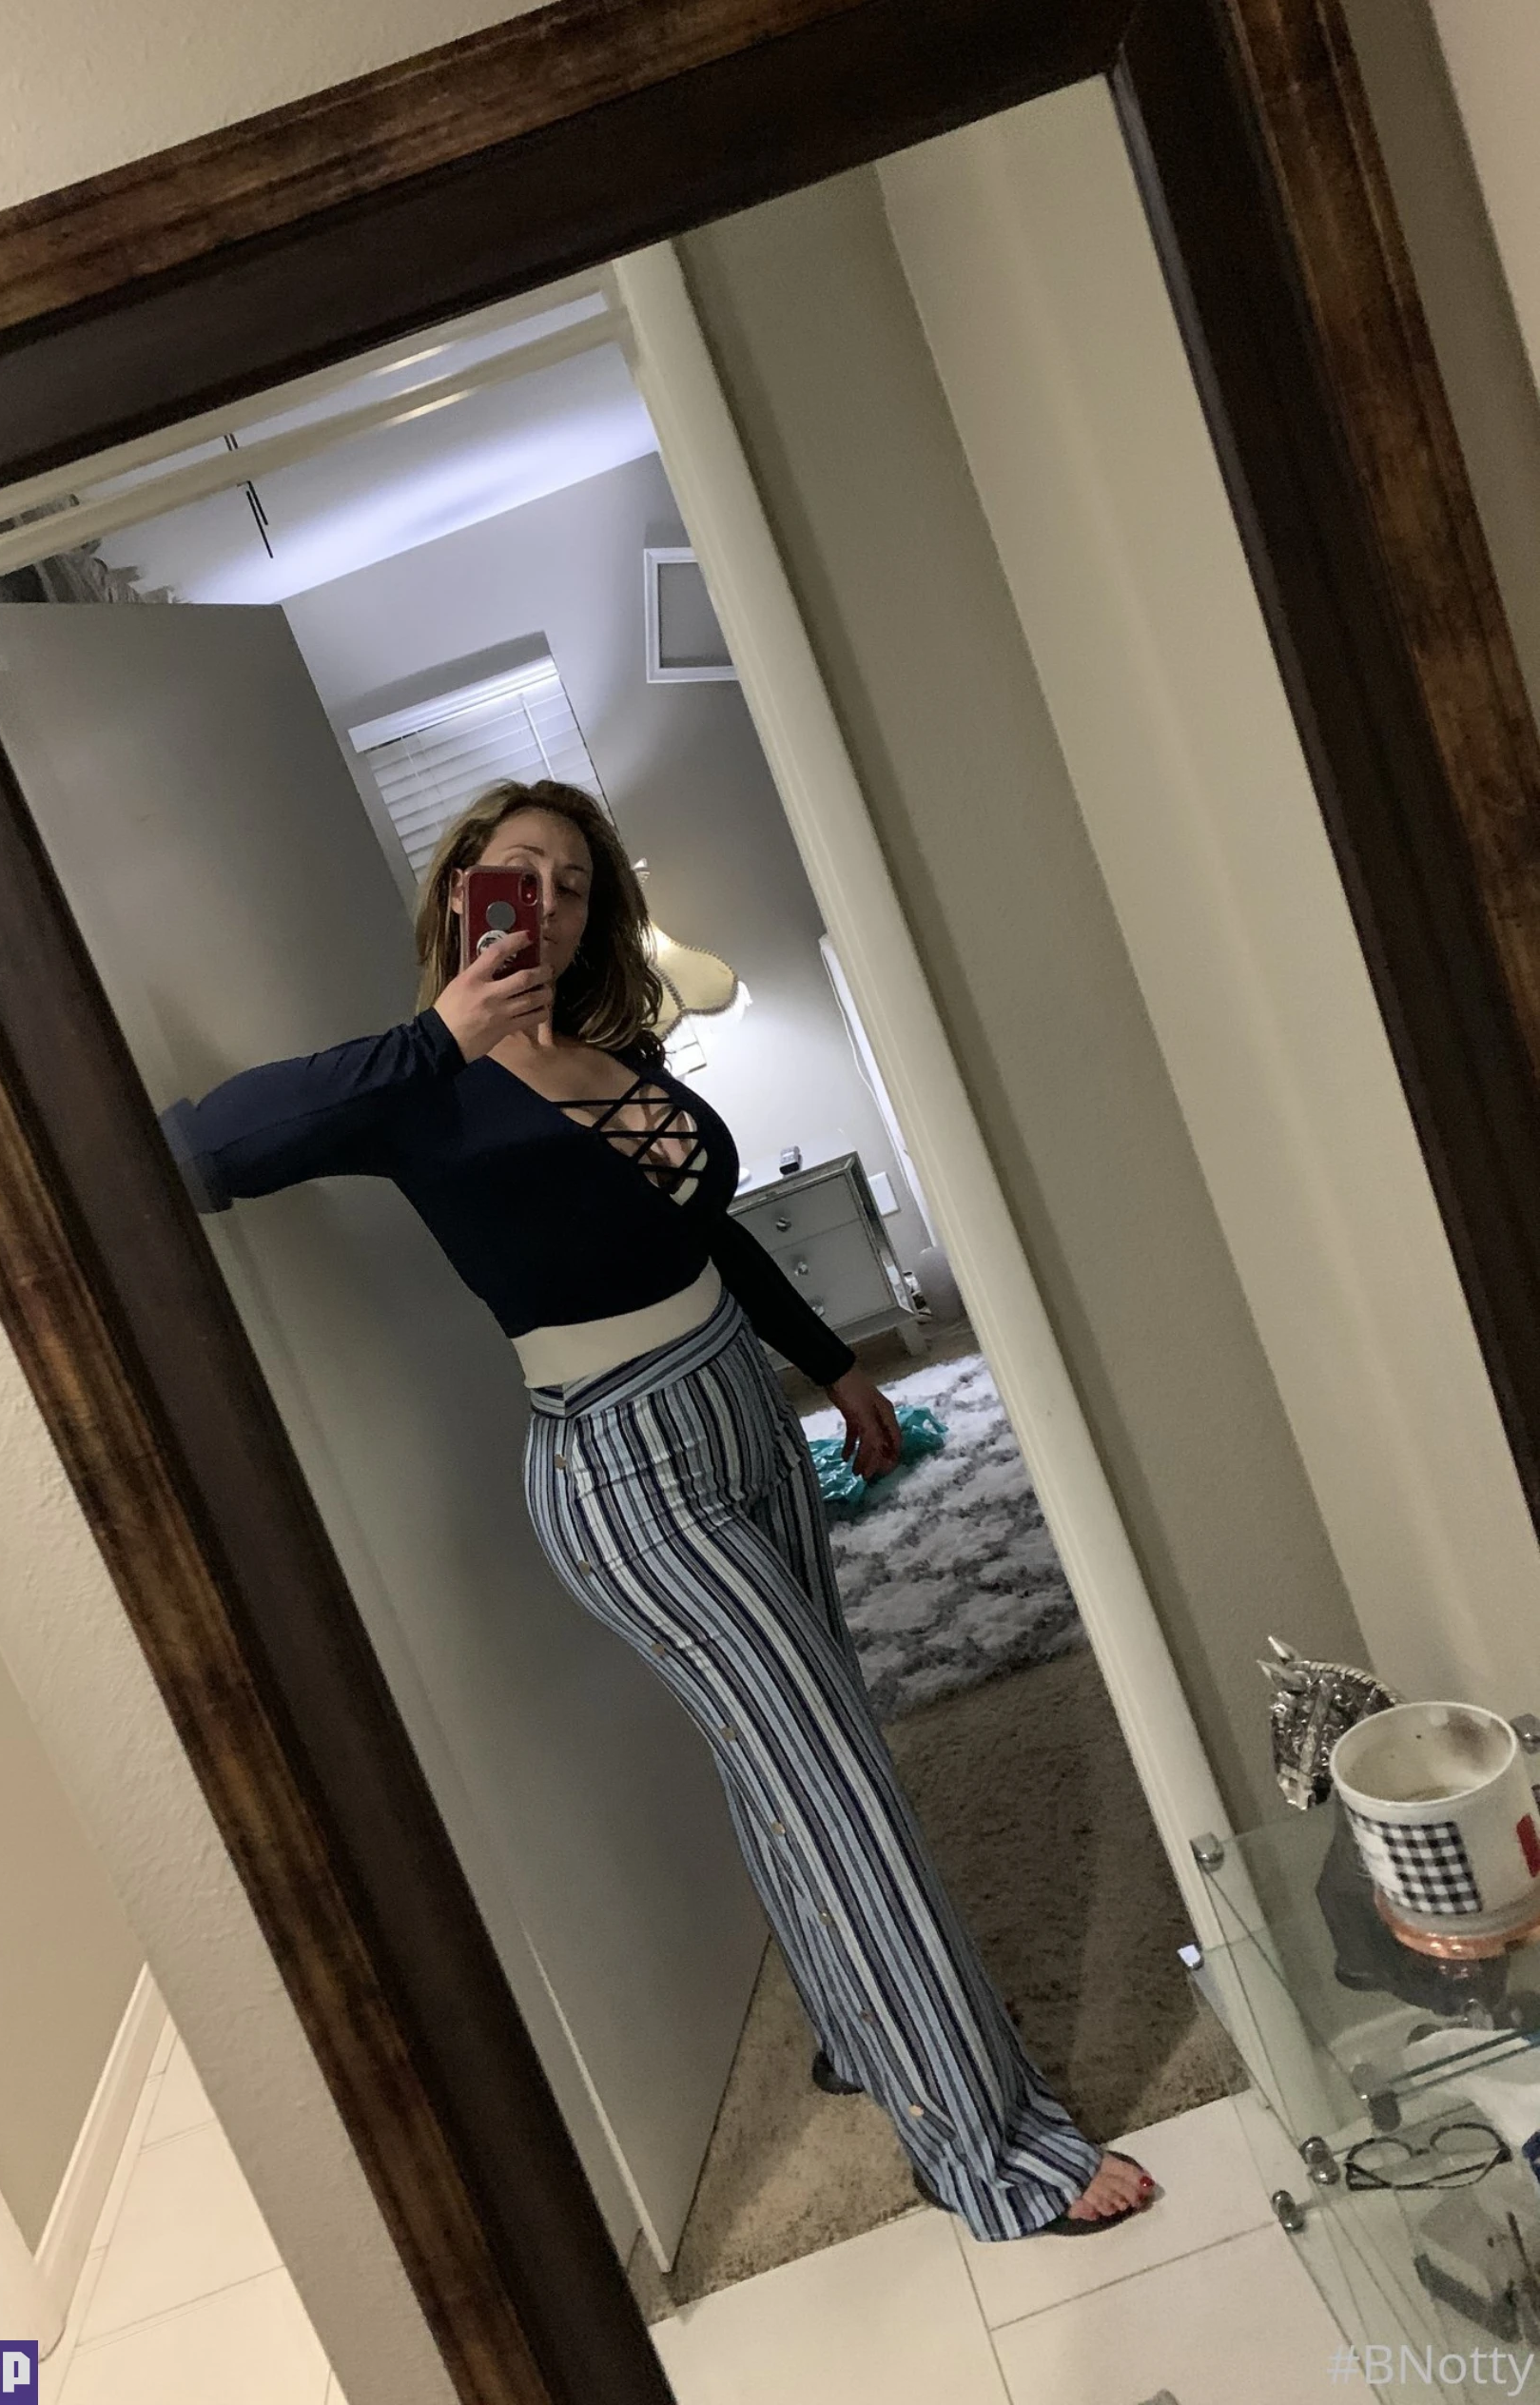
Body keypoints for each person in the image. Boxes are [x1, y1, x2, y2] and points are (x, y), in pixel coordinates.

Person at [161, 778, 1155, 2240]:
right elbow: (198, 1150)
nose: (551, 904)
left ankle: (860, 2029)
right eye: (523, 873)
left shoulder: (618, 1055)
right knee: (837, 1786)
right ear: (462, 888)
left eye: (575, 884)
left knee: (802, 1760)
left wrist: (836, 1368)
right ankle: (991, 2147)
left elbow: (705, 1240)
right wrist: (444, 1035)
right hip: (623, 1470)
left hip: (739, 1407)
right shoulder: (413, 1086)